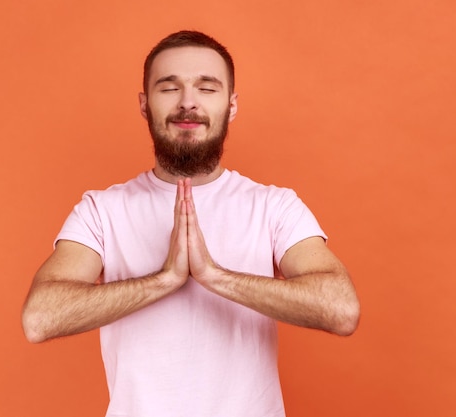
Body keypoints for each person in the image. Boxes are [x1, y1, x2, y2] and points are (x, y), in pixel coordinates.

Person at [22, 30, 360, 417]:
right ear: (144, 104)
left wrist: (214, 276)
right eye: (169, 88)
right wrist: (164, 279)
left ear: (231, 105)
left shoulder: (274, 206)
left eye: (207, 88)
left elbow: (341, 310)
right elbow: (39, 319)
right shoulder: (101, 210)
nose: (188, 103)